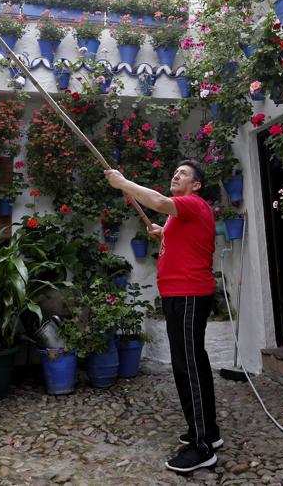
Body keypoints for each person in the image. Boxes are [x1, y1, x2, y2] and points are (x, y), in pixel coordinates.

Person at [104, 160, 220, 474]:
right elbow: (182, 243)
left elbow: (157, 201)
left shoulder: (192, 204)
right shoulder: (179, 217)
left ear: (195, 185)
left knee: (187, 366)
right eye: (175, 172)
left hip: (189, 294)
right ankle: (207, 431)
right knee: (194, 362)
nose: (175, 175)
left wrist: (123, 183)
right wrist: (160, 234)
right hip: (179, 295)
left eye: (183, 173)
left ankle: (202, 447)